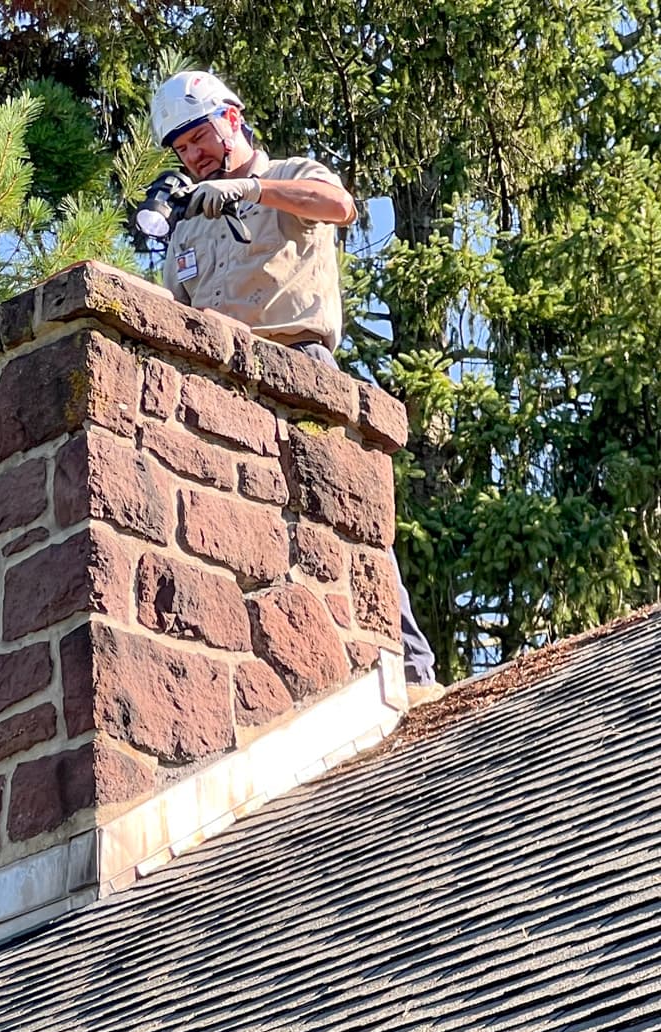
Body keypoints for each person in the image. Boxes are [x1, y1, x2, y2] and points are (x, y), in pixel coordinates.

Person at [150, 70, 445, 707]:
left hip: (301, 371)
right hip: (221, 386)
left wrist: (251, 190)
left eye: (200, 136)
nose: (195, 155)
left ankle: (413, 670)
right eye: (182, 148)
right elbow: (177, 310)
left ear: (232, 119)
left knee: (350, 525)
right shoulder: (190, 223)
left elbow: (339, 207)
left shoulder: (289, 174)